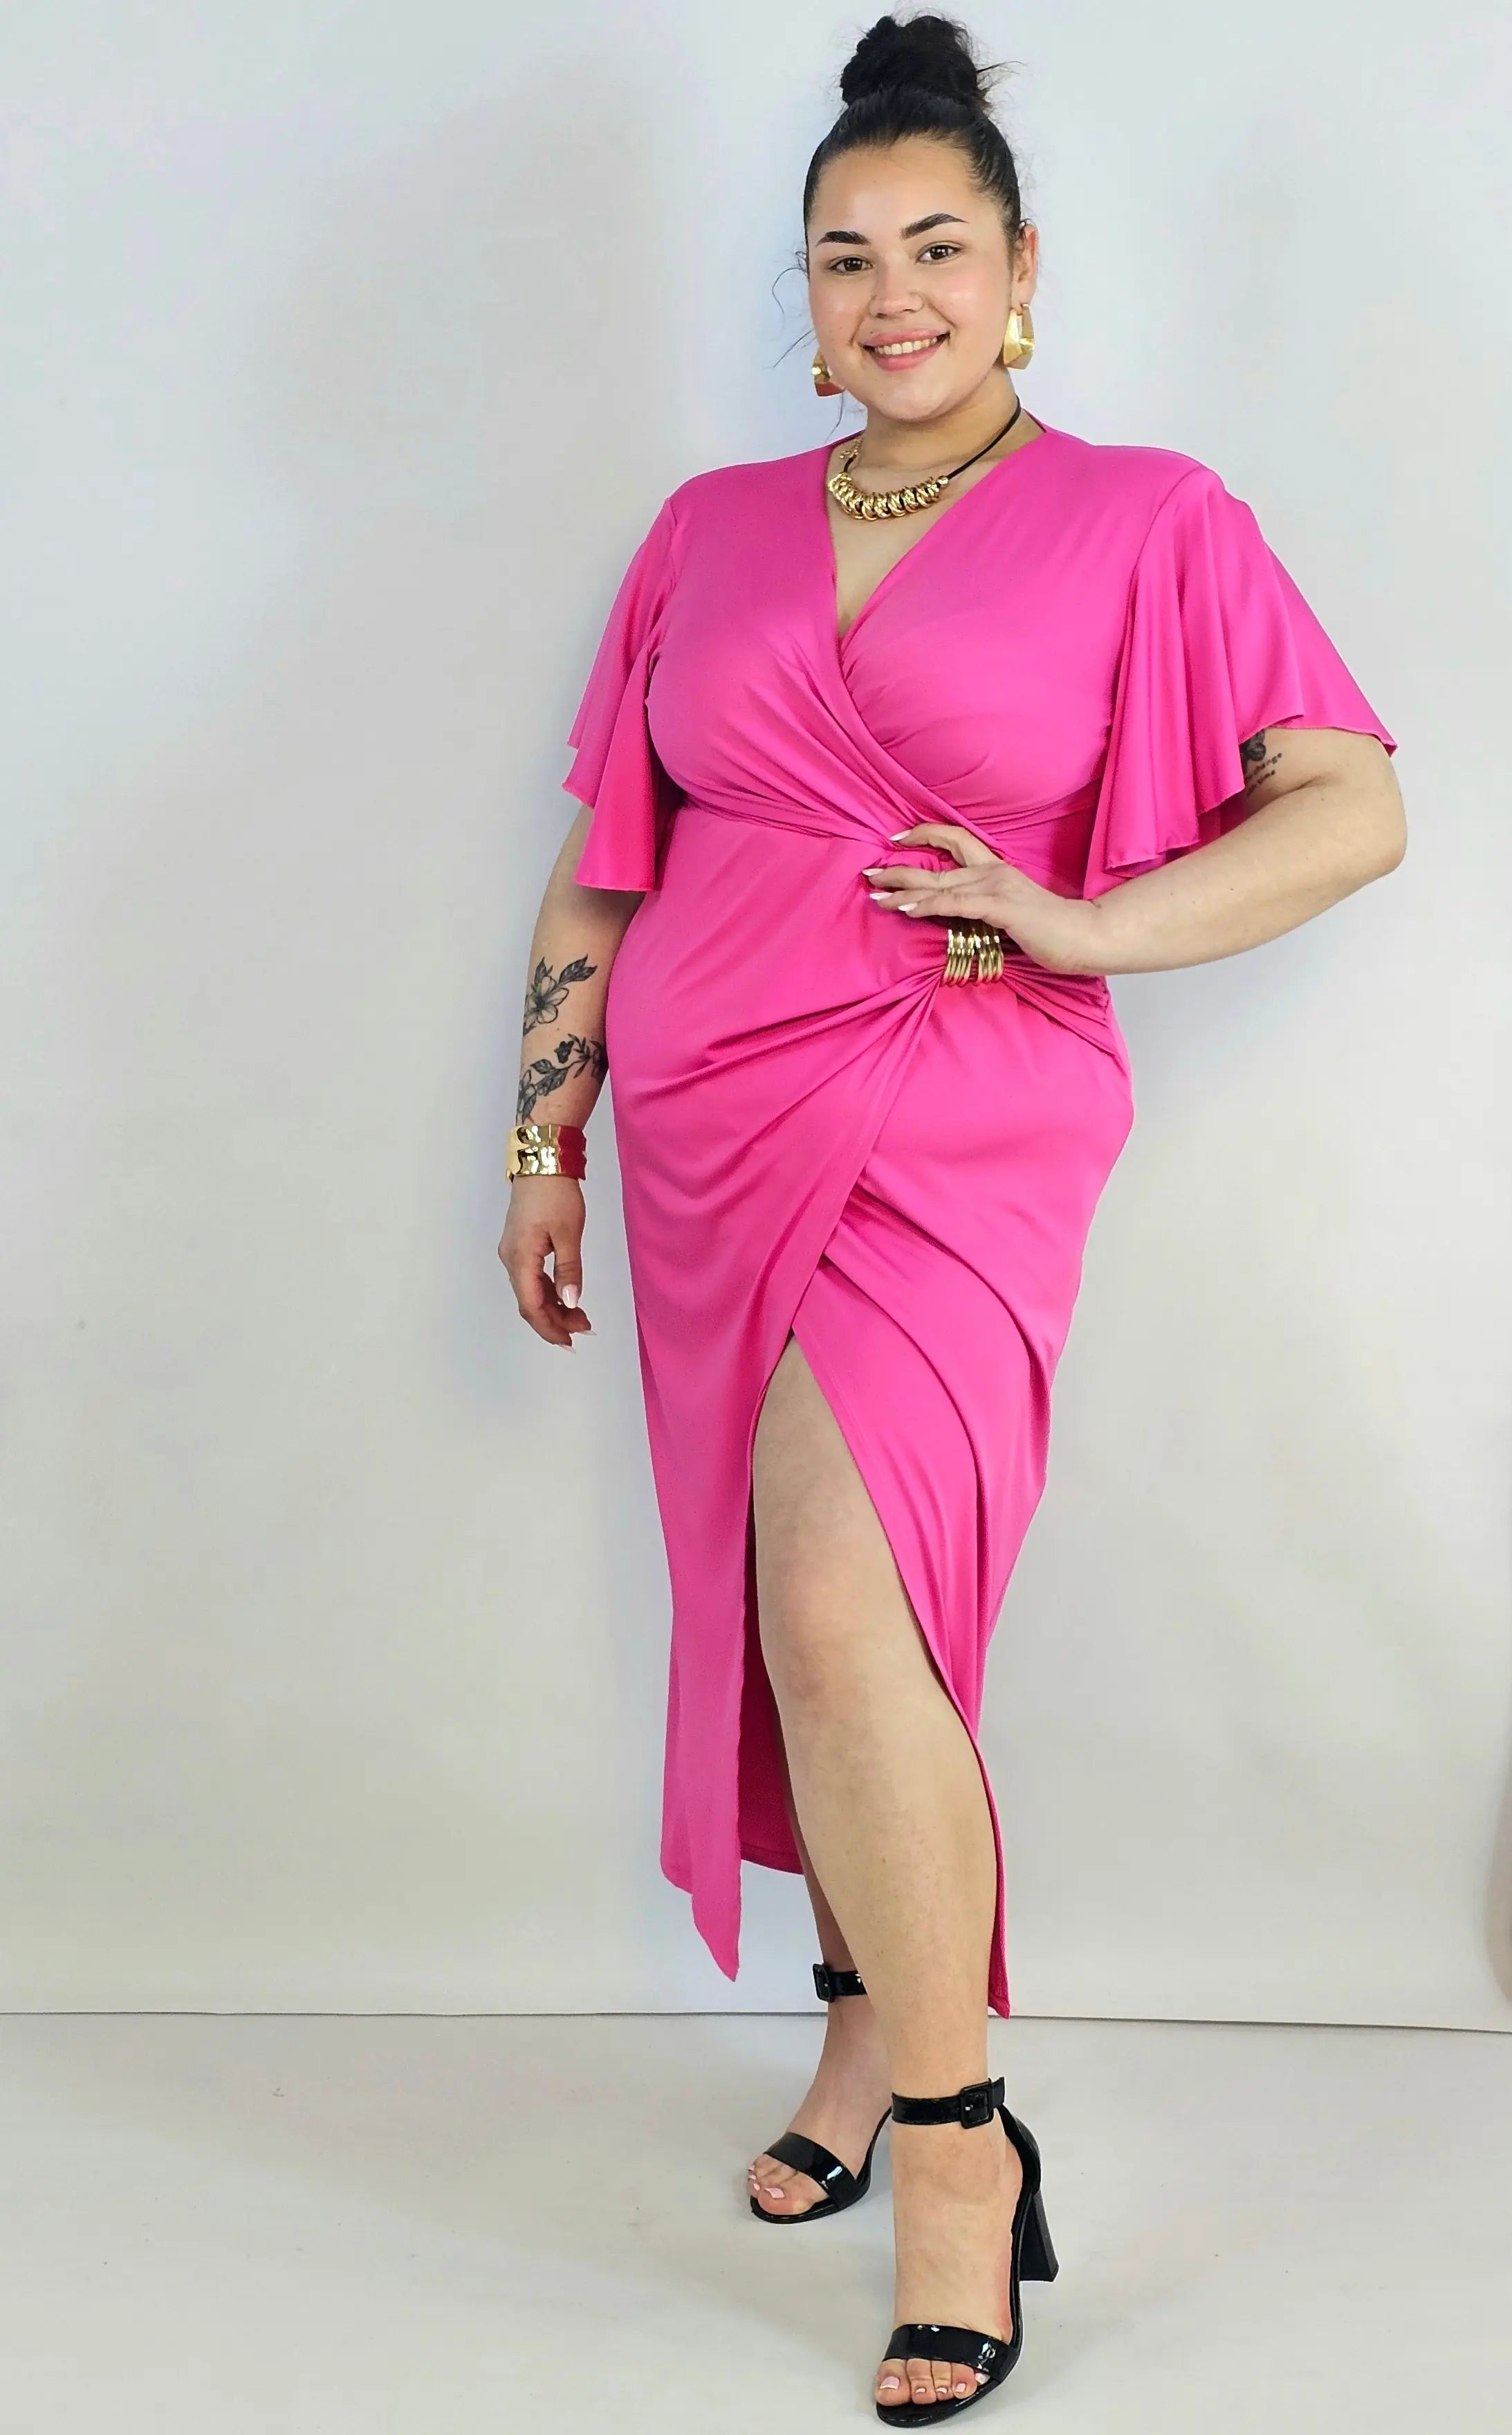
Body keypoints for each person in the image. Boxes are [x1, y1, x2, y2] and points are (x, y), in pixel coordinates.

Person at [499, 12, 1405, 2420]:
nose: (888, 292)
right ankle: (850, 2035)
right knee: (808, 1630)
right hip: (705, 1132)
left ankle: (954, 2150)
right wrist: (543, 1142)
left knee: (840, 1593)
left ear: (1019, 275)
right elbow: (605, 865)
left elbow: (1349, 805)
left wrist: (1091, 924)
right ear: (799, 297)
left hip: (952, 1111)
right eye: (842, 256)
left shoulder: (1149, 516)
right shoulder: (702, 531)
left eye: (934, 247)